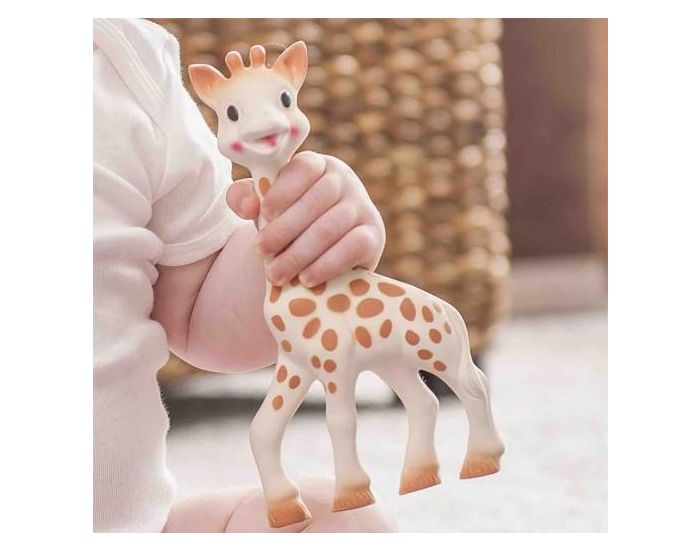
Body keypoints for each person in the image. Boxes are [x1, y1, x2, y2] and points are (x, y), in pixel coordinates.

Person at [93, 18, 395, 532]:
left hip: (124, 526)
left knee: (337, 517)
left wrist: (301, 240)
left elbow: (198, 309)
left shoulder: (124, 61)